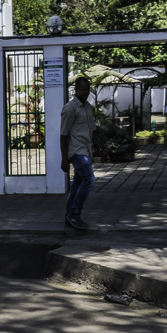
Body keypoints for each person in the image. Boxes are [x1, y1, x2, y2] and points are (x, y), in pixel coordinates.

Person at [60, 76, 99, 230]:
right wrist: (64, 159)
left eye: (88, 89)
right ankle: (74, 214)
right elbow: (63, 135)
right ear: (75, 89)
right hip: (77, 151)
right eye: (83, 89)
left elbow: (93, 131)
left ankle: (69, 216)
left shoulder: (87, 107)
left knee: (77, 185)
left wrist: (101, 149)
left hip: (86, 150)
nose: (86, 92)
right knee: (89, 180)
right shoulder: (70, 108)